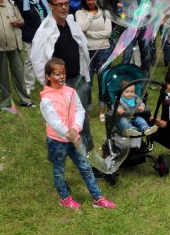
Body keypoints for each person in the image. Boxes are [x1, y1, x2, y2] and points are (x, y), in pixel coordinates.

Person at [39, 57, 116, 210]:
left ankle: (97, 198)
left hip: (75, 137)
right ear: (48, 77)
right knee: (59, 170)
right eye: (57, 74)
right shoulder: (46, 99)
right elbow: (54, 122)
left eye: (63, 73)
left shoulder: (71, 92)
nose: (61, 77)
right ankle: (65, 198)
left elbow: (80, 110)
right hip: (57, 141)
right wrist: (69, 133)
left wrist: (75, 127)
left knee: (85, 167)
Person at [31, 0, 93, 149]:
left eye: (66, 3)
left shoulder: (72, 25)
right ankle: (65, 152)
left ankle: (87, 153)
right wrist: (49, 85)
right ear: (51, 6)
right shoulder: (44, 31)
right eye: (60, 4)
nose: (64, 7)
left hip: (78, 80)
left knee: (82, 118)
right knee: (62, 121)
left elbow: (83, 50)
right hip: (59, 86)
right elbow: (38, 60)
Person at [75, 0, 113, 121]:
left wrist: (90, 33)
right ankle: (87, 108)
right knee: (87, 81)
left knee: (104, 80)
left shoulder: (105, 13)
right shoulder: (79, 13)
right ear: (85, 0)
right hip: (87, 51)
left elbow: (108, 32)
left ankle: (103, 108)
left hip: (104, 50)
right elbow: (80, 28)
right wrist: (90, 15)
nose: (91, 2)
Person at [21, 0, 50, 95]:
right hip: (30, 35)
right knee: (29, 60)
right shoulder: (23, 1)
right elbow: (21, 18)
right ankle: (29, 85)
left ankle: (46, 83)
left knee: (46, 59)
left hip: (44, 35)